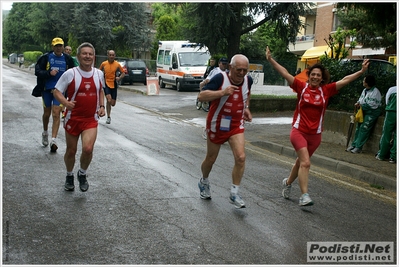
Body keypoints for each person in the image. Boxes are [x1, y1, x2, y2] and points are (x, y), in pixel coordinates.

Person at [265, 46, 370, 206]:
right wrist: (270, 60)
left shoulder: (326, 91)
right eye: (312, 74)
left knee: (301, 162)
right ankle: (304, 195)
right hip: (298, 131)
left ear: (322, 78)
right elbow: (285, 73)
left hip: (315, 135)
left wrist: (361, 72)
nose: (315, 77)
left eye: (318, 75)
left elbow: (345, 80)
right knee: (306, 163)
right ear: (309, 76)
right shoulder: (301, 87)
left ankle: (287, 183)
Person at [197, 54, 253, 209]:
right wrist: (221, 93)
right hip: (217, 123)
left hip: (236, 125)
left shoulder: (248, 80)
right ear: (230, 67)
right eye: (238, 70)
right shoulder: (220, 79)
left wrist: (246, 108)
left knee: (241, 157)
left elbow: (247, 93)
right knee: (211, 159)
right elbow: (201, 96)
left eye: (245, 70)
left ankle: (234, 193)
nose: (242, 73)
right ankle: (204, 181)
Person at [53, 42, 106, 192]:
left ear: (94, 57)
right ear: (78, 56)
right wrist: (65, 103)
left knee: (88, 149)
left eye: (90, 54)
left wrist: (101, 106)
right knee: (71, 151)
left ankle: (82, 173)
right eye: (84, 53)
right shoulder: (71, 73)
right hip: (73, 118)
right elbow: (56, 91)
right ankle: (69, 175)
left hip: (90, 119)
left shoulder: (98, 74)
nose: (87, 56)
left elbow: (100, 90)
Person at [35, 37, 75, 152]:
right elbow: (37, 71)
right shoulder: (46, 58)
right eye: (56, 46)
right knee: (47, 114)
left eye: (60, 46)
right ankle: (45, 132)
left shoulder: (67, 59)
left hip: (60, 91)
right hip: (47, 89)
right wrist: (48, 73)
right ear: (52, 47)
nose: (59, 48)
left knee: (56, 113)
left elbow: (73, 72)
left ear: (63, 47)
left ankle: (53, 140)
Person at [345, 75, 381, 154]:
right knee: (358, 128)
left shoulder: (375, 92)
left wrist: (362, 105)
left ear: (368, 82)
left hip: (371, 112)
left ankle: (359, 147)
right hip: (363, 111)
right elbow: (361, 99)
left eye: (364, 80)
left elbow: (373, 104)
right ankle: (354, 144)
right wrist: (358, 104)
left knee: (364, 128)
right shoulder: (365, 90)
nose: (363, 82)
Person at [99, 50, 125, 124]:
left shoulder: (117, 64)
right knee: (109, 100)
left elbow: (123, 73)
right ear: (108, 55)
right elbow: (98, 72)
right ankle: (108, 117)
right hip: (106, 83)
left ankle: (108, 110)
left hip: (114, 84)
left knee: (112, 103)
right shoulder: (104, 64)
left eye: (112, 55)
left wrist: (119, 78)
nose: (111, 56)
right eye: (110, 55)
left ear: (114, 56)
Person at [375, 85, 396, 163]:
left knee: (386, 134)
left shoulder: (392, 89)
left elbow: (387, 101)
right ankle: (393, 157)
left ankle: (382, 154)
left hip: (391, 112)